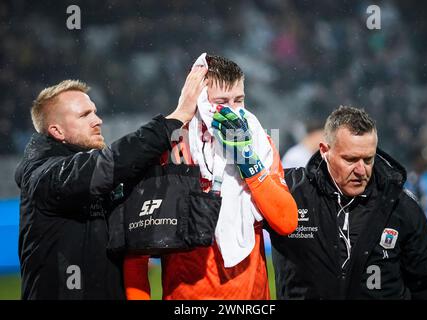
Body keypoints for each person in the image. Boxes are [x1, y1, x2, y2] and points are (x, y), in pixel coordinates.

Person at [14, 65, 208, 299]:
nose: (98, 120)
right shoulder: (43, 175)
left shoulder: (91, 172)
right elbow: (103, 166)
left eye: (94, 112)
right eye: (84, 115)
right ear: (57, 131)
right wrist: (174, 120)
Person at [123, 54, 298, 300]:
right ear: (199, 101)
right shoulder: (169, 151)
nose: (233, 111)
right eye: (221, 101)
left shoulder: (259, 145)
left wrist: (246, 159)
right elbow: (136, 251)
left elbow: (286, 221)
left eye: (239, 100)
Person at [268, 106, 427, 299]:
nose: (361, 170)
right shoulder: (289, 192)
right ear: (325, 151)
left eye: (368, 159)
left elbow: (424, 289)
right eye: (350, 159)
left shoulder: (401, 206)